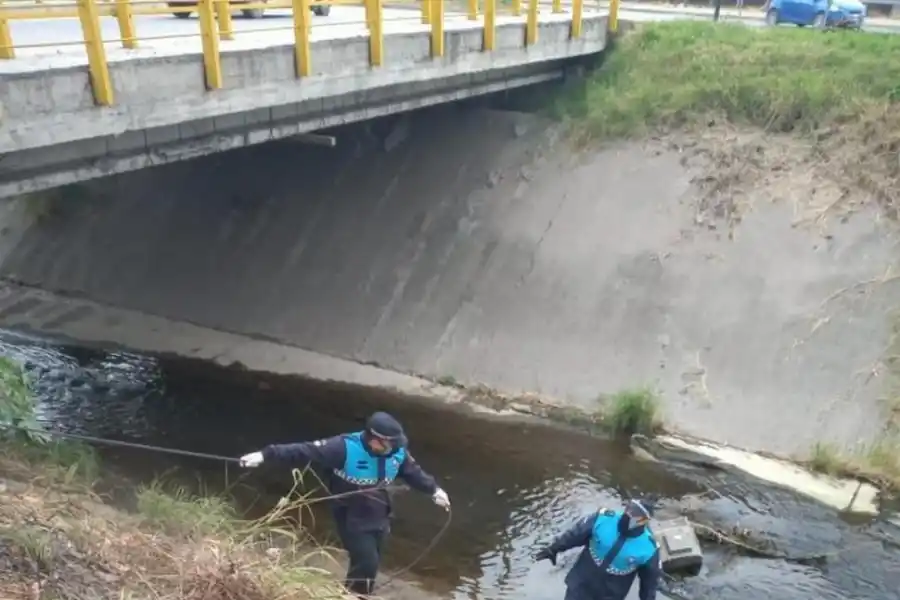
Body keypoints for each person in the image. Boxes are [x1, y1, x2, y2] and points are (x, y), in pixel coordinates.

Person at [238, 411, 450, 597]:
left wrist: (434, 490)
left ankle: (351, 593)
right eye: (390, 443)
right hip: (350, 514)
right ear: (375, 440)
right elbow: (304, 450)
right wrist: (265, 455)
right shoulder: (343, 448)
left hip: (380, 511)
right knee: (366, 562)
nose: (395, 448)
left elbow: (413, 473)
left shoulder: (397, 453)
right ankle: (356, 595)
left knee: (372, 560)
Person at [534, 499, 661, 600]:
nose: (628, 514)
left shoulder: (649, 548)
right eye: (629, 508)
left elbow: (649, 583)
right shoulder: (603, 519)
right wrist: (554, 549)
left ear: (643, 521)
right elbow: (576, 534)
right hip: (581, 583)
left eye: (635, 514)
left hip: (610, 594)